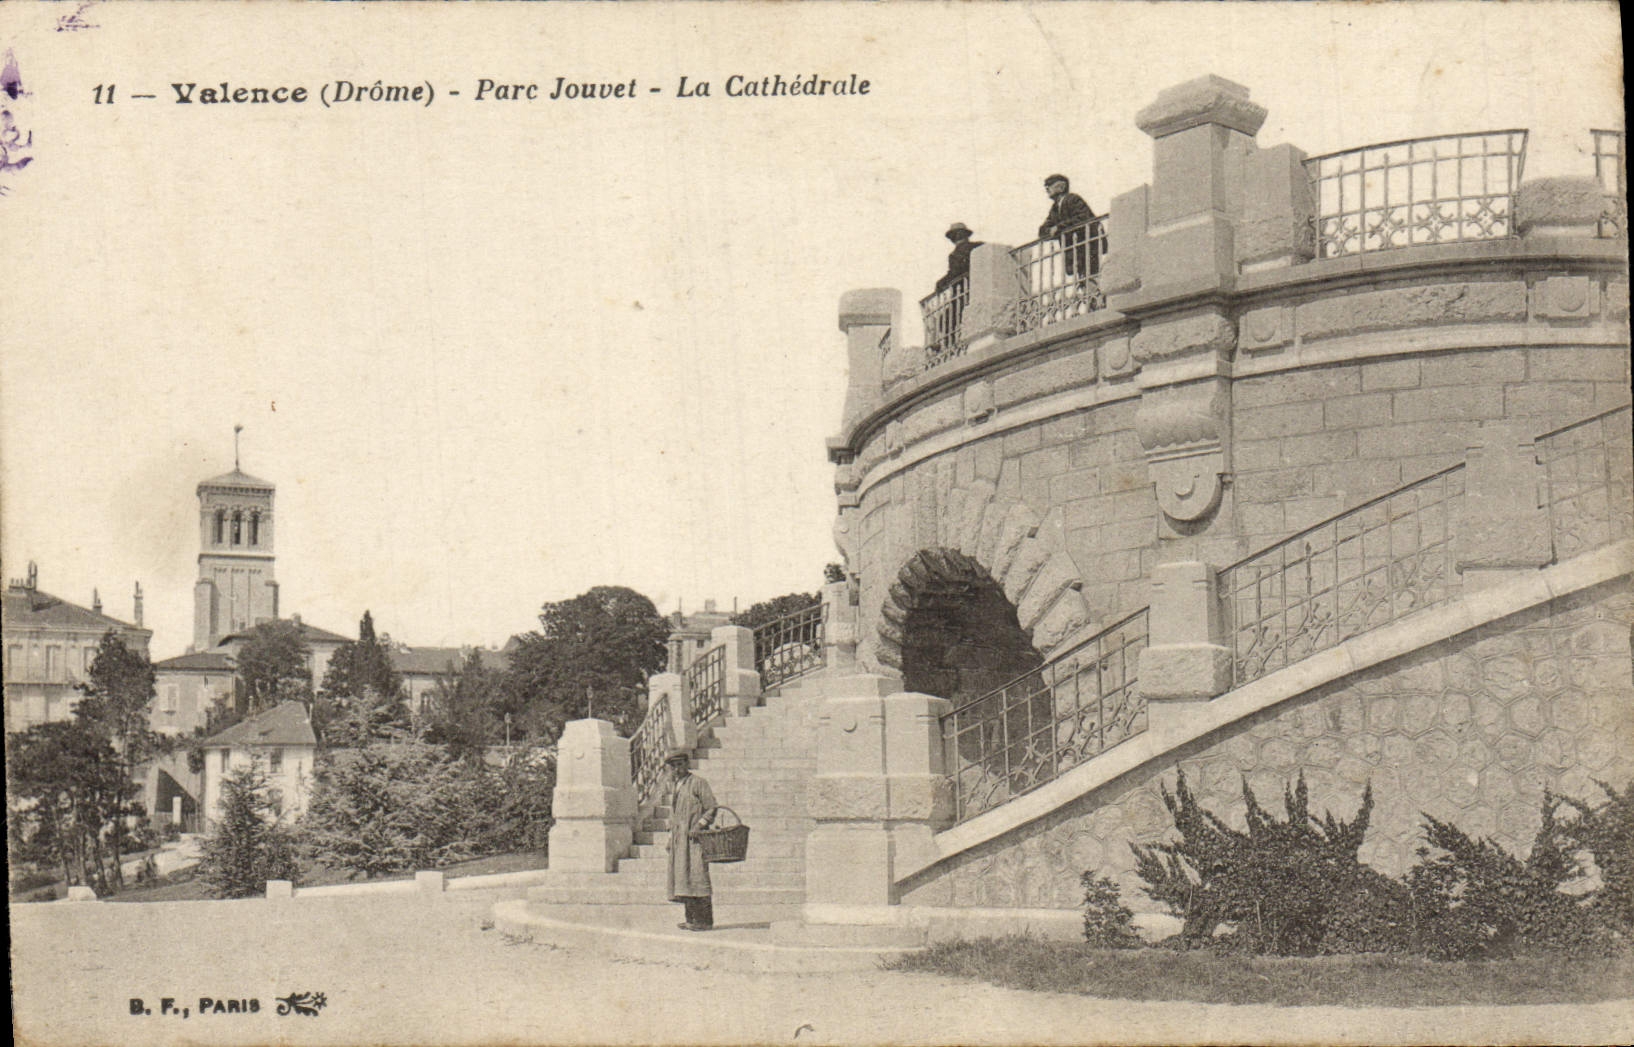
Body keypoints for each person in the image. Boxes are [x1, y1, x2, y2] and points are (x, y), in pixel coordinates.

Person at [665, 748, 718, 931]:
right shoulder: (676, 786)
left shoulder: (698, 783)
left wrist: (699, 825)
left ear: (687, 764)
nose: (677, 769)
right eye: (673, 766)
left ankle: (705, 921)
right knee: (683, 878)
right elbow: (674, 815)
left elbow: (711, 807)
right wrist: (670, 837)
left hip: (695, 839)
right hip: (680, 840)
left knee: (697, 876)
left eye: (680, 765)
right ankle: (691, 919)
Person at [1039, 174, 1099, 279]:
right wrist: (1051, 230)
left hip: (1087, 247)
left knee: (1091, 277)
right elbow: (1042, 231)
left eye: (1050, 185)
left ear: (1062, 187)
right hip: (1073, 252)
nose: (1047, 188)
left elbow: (1082, 218)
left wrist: (1058, 228)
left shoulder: (1073, 199)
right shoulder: (1055, 208)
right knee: (1083, 279)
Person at [935, 222, 983, 294]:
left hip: (966, 289)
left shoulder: (954, 254)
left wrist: (940, 283)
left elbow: (954, 272)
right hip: (978, 284)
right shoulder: (979, 246)